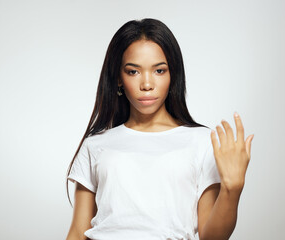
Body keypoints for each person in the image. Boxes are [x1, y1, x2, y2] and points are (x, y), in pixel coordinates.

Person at [65, 18, 254, 240]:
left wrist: (232, 189)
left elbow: (210, 237)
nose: (147, 84)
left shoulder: (201, 141)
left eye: (159, 71)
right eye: (133, 71)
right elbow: (78, 233)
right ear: (118, 78)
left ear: (173, 75)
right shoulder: (96, 144)